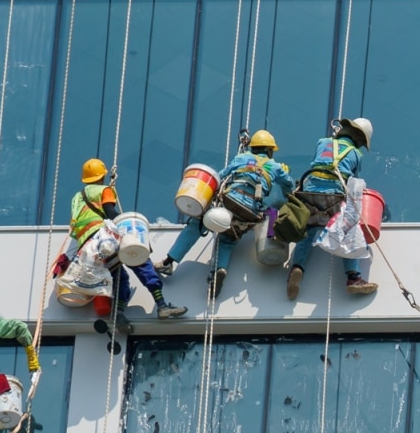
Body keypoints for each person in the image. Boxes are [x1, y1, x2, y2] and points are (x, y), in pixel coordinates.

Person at [154, 130, 295, 298]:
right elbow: (289, 187)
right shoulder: (275, 166)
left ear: (253, 148)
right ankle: (219, 271)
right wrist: (285, 173)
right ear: (270, 150)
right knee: (228, 239)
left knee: (196, 224)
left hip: (231, 201)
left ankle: (169, 262)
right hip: (251, 211)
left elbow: (220, 177)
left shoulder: (241, 158)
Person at [70, 158, 186, 331]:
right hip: (104, 238)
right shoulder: (105, 190)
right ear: (102, 175)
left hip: (88, 248)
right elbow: (110, 213)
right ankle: (162, 305)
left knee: (120, 278)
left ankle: (119, 315)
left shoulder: (77, 197)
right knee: (140, 261)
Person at [285, 117, 377, 300]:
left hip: (309, 192)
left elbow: (317, 162)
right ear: (359, 140)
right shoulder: (356, 154)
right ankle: (353, 277)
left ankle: (297, 268)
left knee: (308, 230)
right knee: (348, 229)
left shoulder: (322, 143)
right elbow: (352, 182)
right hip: (334, 195)